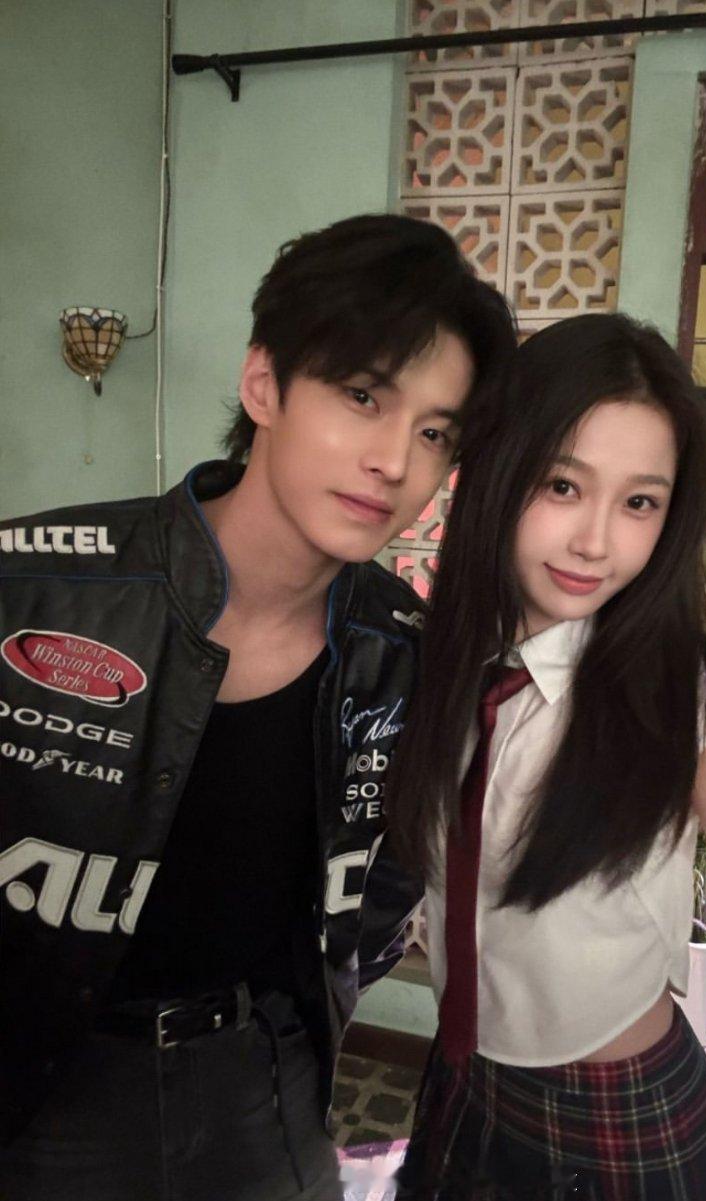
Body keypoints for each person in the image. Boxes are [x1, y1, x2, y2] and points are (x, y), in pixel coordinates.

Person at [0, 213, 516, 1200]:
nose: (394, 460)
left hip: (262, 1081)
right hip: (40, 1084)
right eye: (362, 396)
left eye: (433, 432)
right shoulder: (36, 592)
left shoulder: (401, 652)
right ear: (264, 384)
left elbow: (386, 886)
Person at [388, 313, 706, 1200]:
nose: (595, 540)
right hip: (462, 1090)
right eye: (562, 485)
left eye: (639, 502)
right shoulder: (445, 663)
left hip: (621, 1120)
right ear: (498, 471)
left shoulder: (685, 697)